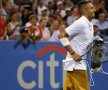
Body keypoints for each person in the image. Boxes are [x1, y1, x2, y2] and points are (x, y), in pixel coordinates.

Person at [58, 1, 96, 90]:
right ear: (85, 10)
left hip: (75, 66)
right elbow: (61, 35)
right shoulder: (81, 23)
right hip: (77, 66)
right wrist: (73, 53)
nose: (94, 10)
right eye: (91, 8)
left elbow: (84, 43)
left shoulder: (90, 23)